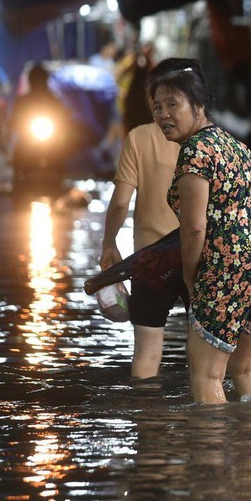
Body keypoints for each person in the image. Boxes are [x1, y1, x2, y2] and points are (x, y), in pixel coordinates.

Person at [147, 57, 251, 404]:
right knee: (244, 367)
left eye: (172, 104)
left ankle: (210, 453)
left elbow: (194, 229)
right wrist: (242, 220)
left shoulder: (195, 151)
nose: (163, 115)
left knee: (205, 373)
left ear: (199, 104)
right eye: (157, 106)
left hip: (226, 270)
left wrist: (193, 280)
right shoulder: (230, 142)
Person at [100, 121, 186, 380]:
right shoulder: (217, 139)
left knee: (146, 353)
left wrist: (108, 243)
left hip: (153, 259)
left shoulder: (139, 137)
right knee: (204, 353)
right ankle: (206, 416)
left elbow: (120, 203)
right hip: (202, 256)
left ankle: (147, 416)